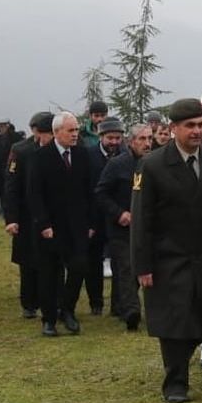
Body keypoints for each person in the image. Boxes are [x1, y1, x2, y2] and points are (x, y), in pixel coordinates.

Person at [131, 98, 202, 403]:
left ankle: (185, 363)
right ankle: (175, 383)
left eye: (200, 124)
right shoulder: (152, 165)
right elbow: (141, 219)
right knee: (175, 320)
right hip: (168, 257)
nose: (197, 131)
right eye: (189, 125)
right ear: (172, 128)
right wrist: (143, 265)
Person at [26, 112, 96, 336]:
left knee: (78, 268)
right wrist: (43, 223)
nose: (75, 134)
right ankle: (48, 319)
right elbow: (34, 194)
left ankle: (68, 310)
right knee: (49, 273)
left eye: (76, 130)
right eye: (70, 130)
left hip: (77, 225)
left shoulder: (82, 155)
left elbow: (90, 191)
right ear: (57, 132)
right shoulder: (40, 157)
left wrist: (91, 222)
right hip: (50, 226)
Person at [94, 122, 153, 331]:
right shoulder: (117, 164)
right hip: (122, 227)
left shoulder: (154, 163)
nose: (147, 144)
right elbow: (101, 193)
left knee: (141, 266)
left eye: (149, 139)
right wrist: (119, 213)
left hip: (147, 226)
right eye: (142, 139)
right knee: (127, 268)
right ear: (131, 141)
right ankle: (132, 312)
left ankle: (119, 306)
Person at [2, 112, 53, 319]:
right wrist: (11, 218)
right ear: (35, 132)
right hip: (25, 213)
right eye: (46, 133)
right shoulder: (21, 150)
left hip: (50, 212)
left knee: (50, 259)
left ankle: (50, 300)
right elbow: (11, 186)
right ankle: (29, 302)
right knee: (28, 259)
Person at [82, 117, 126, 314]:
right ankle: (96, 303)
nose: (114, 142)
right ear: (101, 137)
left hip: (118, 217)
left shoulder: (126, 155)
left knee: (120, 263)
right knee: (93, 262)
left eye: (118, 138)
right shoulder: (88, 156)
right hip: (94, 217)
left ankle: (118, 304)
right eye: (110, 138)